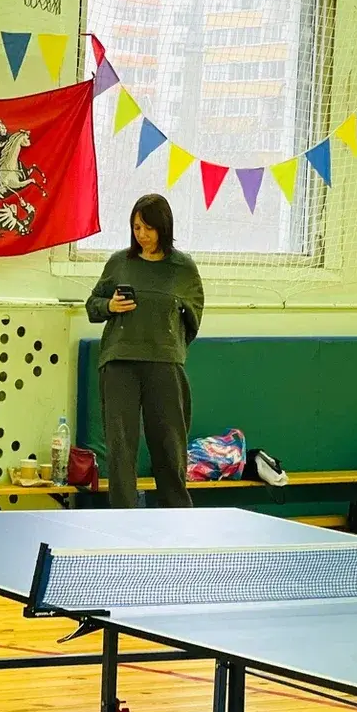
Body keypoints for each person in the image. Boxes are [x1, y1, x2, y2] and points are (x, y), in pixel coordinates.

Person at [85, 193, 204, 509]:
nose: (142, 235)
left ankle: (176, 515)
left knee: (169, 444)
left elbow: (194, 317)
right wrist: (110, 306)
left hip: (165, 363)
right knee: (120, 447)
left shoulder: (183, 268)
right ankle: (123, 516)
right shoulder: (119, 263)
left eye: (148, 228)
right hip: (119, 363)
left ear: (164, 227)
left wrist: (171, 344)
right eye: (136, 227)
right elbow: (92, 306)